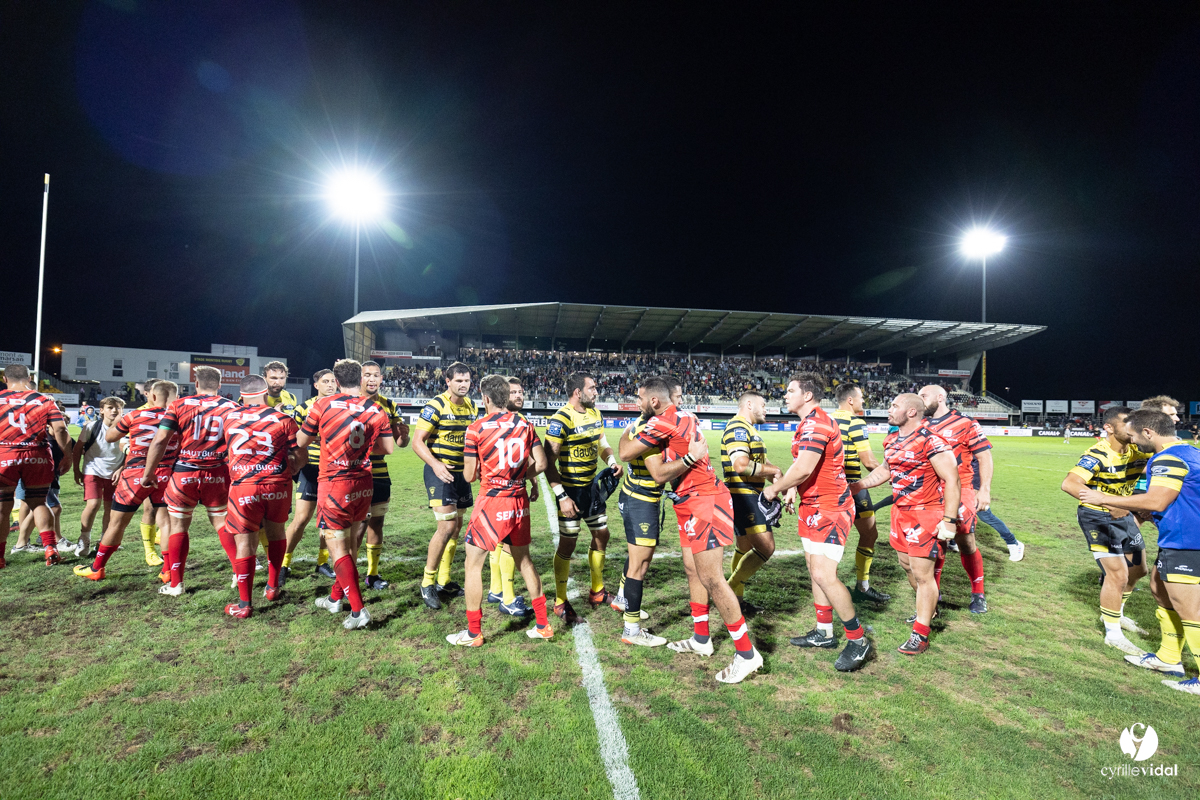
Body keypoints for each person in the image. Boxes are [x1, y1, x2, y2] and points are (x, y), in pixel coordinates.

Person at [621, 376, 763, 684]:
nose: (638, 402)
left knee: (712, 578)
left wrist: (682, 455)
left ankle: (747, 654)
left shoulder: (663, 423)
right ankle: (701, 638)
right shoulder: (686, 416)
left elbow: (627, 454)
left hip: (705, 501)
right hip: (689, 501)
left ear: (654, 402)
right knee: (691, 569)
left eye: (641, 398)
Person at [1081, 409, 1200, 694]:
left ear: (1148, 433)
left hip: (1186, 540)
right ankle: (1168, 658)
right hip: (1181, 537)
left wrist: (1103, 497)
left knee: (1190, 610)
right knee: (1159, 587)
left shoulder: (1167, 457)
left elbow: (1158, 501)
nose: (1132, 441)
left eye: (1134, 435)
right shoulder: (1189, 451)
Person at [762, 373, 872, 672]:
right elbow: (806, 469)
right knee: (814, 571)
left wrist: (776, 488)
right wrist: (794, 489)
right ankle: (824, 632)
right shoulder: (808, 424)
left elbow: (804, 467)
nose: (785, 395)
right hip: (813, 507)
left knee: (824, 574)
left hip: (830, 509)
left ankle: (858, 639)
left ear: (807, 395)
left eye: (790, 390)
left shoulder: (817, 424)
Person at [446, 374, 554, 645]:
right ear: (506, 396)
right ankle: (543, 625)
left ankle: (473, 633)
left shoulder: (476, 429)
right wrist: (517, 476)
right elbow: (541, 463)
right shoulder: (526, 424)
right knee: (525, 561)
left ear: (485, 398)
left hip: (492, 503)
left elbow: (470, 475)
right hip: (519, 502)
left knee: (472, 565)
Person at [849, 394, 960, 655]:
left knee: (923, 575)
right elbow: (887, 469)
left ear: (911, 412)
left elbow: (952, 480)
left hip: (925, 513)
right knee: (907, 566)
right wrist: (859, 485)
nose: (889, 409)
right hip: (901, 513)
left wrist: (950, 521)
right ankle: (929, 609)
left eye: (894, 406)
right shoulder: (892, 439)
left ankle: (920, 635)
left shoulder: (930, 440)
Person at [298, 359, 394, 630]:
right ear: (360, 379)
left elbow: (301, 441)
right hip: (364, 482)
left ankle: (358, 611)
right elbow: (387, 448)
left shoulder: (323, 405)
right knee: (350, 543)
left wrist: (329, 440)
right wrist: (360, 450)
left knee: (338, 546)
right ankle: (334, 598)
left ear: (337, 382)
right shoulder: (375, 408)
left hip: (334, 483)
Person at [613, 379, 706, 647]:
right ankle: (632, 629)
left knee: (636, 559)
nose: (679, 403)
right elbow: (658, 474)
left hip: (639, 499)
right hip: (641, 500)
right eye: (676, 397)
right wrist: (690, 458)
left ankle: (624, 601)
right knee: (639, 565)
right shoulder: (652, 429)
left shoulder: (644, 423)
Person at [1060, 405, 1151, 656]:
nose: (1132, 429)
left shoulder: (1137, 451)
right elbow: (1069, 484)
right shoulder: (1098, 454)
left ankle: (1116, 615)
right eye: (1126, 424)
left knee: (1139, 570)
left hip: (1122, 513)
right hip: (1097, 516)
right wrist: (1109, 503)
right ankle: (1113, 634)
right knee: (1118, 575)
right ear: (1109, 427)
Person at [143, 366, 239, 596]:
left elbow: (160, 441)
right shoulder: (232, 407)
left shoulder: (179, 405)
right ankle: (238, 572)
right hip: (216, 473)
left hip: (184, 472)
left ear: (195, 384)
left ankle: (176, 584)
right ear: (220, 385)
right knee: (221, 523)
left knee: (178, 526)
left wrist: (148, 472)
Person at [73, 381, 180, 581]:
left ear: (152, 396)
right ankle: (167, 571)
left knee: (117, 523)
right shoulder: (179, 417)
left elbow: (112, 437)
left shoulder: (134, 415)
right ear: (176, 397)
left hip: (135, 474)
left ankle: (97, 568)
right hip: (166, 473)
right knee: (166, 523)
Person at [219, 374, 305, 618]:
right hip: (277, 484)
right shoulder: (282, 419)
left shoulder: (229, 418)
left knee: (245, 542)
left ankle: (244, 604)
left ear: (241, 395)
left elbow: (222, 451)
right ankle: (272, 587)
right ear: (266, 392)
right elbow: (300, 455)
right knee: (277, 532)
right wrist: (294, 468)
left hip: (244, 485)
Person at [544, 371, 622, 622]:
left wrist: (611, 461)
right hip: (570, 490)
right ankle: (559, 601)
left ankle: (597, 591)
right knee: (569, 542)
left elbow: (602, 443)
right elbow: (548, 463)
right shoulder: (560, 420)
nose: (596, 392)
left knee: (602, 534)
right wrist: (562, 496)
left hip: (592, 488)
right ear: (578, 392)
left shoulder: (595, 413)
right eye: (593, 388)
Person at [918, 385, 991, 614]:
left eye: (923, 396)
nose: (920, 400)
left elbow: (984, 456)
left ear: (940, 397)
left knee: (966, 542)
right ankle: (934, 593)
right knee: (935, 543)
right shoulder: (920, 424)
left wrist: (984, 489)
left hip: (962, 489)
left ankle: (978, 593)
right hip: (930, 492)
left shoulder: (966, 422)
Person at [412, 362, 478, 609]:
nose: (463, 385)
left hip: (461, 474)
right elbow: (417, 442)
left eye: (467, 381)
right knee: (446, 526)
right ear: (447, 382)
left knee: (457, 526)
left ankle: (444, 580)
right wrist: (436, 465)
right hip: (439, 471)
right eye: (458, 381)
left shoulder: (471, 406)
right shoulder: (436, 405)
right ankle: (427, 582)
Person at [0, 364, 71, 567]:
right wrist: (68, 456)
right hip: (36, 453)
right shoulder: (44, 400)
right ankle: (50, 549)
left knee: (3, 507)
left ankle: (0, 557)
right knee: (38, 502)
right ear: (29, 377)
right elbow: (60, 429)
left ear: (5, 379)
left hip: (5, 452)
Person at [721, 391, 783, 613]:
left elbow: (762, 466)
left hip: (746, 494)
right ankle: (727, 593)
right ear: (749, 404)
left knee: (744, 547)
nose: (766, 408)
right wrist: (774, 471)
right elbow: (741, 465)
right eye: (763, 404)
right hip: (743, 495)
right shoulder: (738, 428)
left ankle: (736, 602)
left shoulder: (749, 430)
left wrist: (782, 482)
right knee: (766, 547)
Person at [831, 383, 889, 603]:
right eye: (861, 397)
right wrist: (892, 476)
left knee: (834, 539)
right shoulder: (855, 422)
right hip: (853, 486)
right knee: (869, 534)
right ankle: (861, 587)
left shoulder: (826, 420)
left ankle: (833, 586)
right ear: (851, 400)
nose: (864, 401)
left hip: (831, 486)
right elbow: (868, 461)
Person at [484, 377, 537, 616]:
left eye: (521, 392)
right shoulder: (504, 423)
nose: (518, 396)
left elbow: (524, 460)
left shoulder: (520, 421)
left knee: (499, 543)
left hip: (505, 490)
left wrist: (533, 482)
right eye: (513, 392)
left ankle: (497, 589)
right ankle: (507, 596)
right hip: (504, 492)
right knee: (507, 544)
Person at [281, 369, 338, 583]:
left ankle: (322, 562)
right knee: (302, 518)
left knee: (327, 520)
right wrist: (318, 438)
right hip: (311, 468)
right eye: (326, 381)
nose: (331, 385)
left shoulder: (340, 406)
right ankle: (283, 563)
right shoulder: (304, 408)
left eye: (333, 381)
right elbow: (293, 438)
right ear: (316, 385)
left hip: (333, 469)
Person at [359, 361, 411, 590]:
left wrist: (404, 436)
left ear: (381, 379)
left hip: (380, 472)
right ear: (360, 378)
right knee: (358, 525)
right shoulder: (351, 403)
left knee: (376, 522)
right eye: (367, 375)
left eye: (376, 375)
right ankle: (348, 574)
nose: (372, 379)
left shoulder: (390, 405)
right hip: (356, 471)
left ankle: (372, 574)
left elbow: (399, 444)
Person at [69, 396, 126, 558]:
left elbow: (131, 452)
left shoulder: (126, 429)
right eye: (110, 407)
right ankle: (84, 539)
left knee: (110, 508)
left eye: (118, 407)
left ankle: (104, 540)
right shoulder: (91, 427)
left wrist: (121, 468)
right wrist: (76, 470)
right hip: (92, 471)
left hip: (114, 473)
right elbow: (77, 449)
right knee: (93, 504)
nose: (114, 410)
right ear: (101, 410)